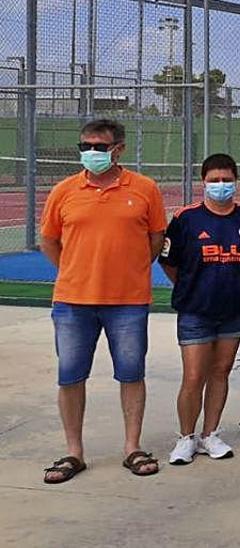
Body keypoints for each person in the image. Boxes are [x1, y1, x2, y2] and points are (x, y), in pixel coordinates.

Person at [39, 118, 168, 482]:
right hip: (72, 302)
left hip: (128, 302)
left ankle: (132, 447)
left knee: (131, 373)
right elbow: (49, 240)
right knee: (70, 376)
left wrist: (130, 268)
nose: (91, 153)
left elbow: (156, 238)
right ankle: (73, 452)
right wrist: (74, 269)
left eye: (99, 147)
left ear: (118, 149)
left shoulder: (144, 189)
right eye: (86, 147)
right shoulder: (64, 191)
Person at [160, 154, 240, 464]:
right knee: (194, 376)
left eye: (227, 180)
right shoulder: (186, 219)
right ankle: (186, 438)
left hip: (235, 309)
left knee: (221, 372)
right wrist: (194, 285)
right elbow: (170, 263)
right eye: (214, 180)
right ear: (203, 182)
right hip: (196, 310)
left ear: (236, 181)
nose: (221, 185)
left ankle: (210, 434)